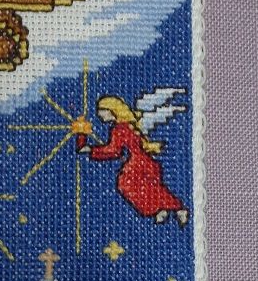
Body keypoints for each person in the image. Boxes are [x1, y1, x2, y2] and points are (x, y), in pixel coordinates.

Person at [80, 96, 189, 225]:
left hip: (138, 164)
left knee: (126, 184)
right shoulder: (126, 126)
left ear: (111, 110)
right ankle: (163, 209)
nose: (99, 114)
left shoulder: (119, 129)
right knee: (150, 187)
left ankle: (171, 208)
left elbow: (113, 151)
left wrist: (92, 150)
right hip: (146, 162)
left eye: (101, 110)